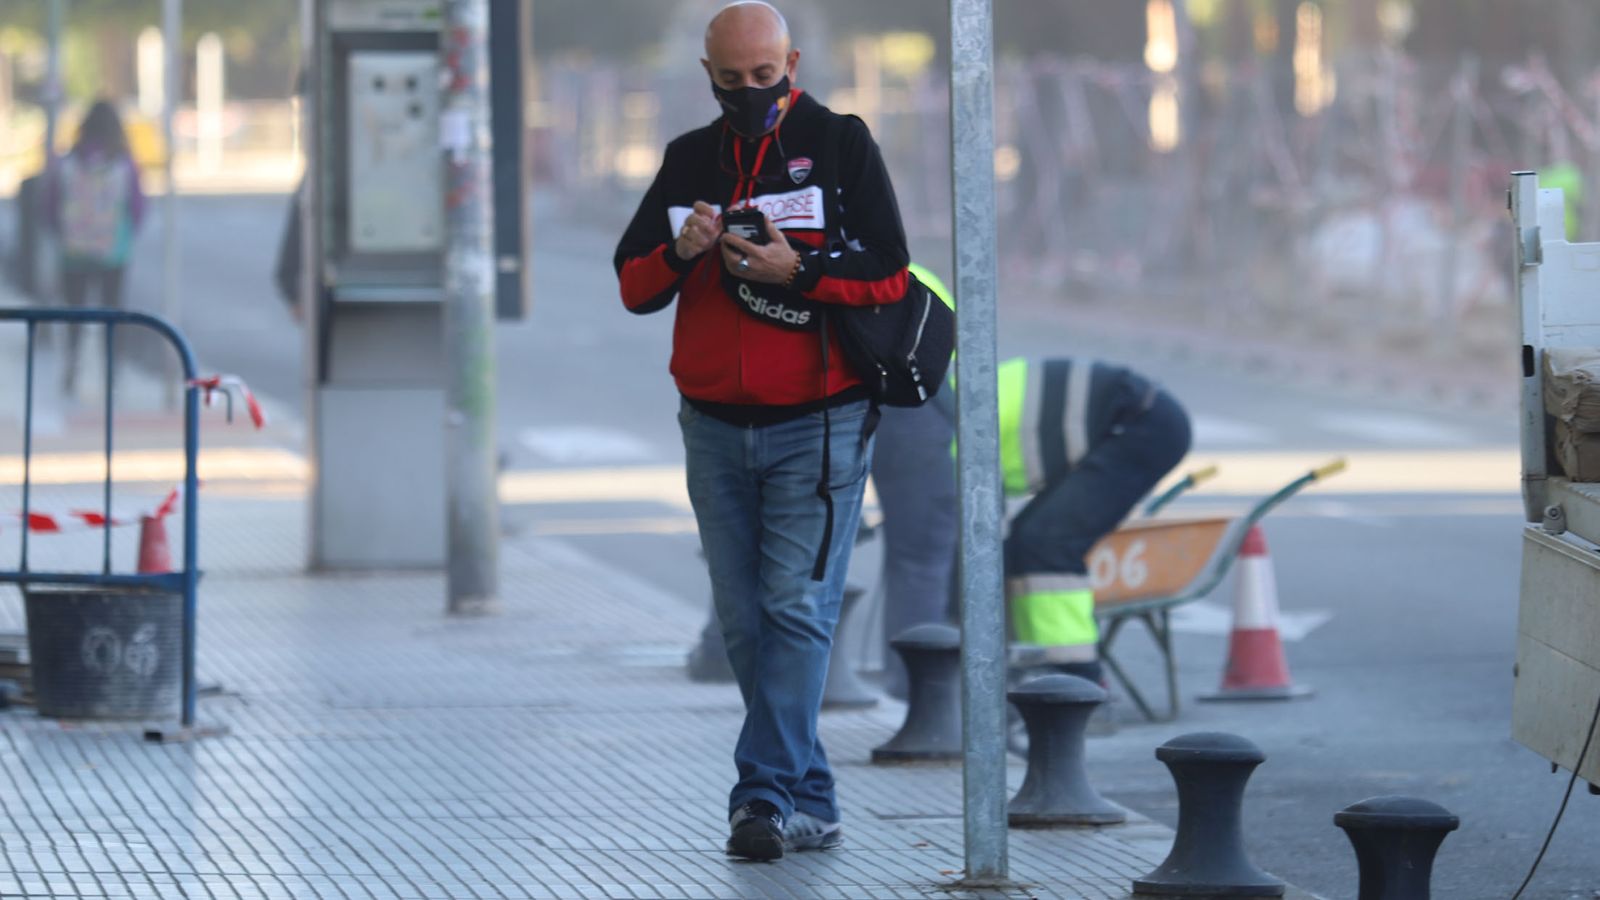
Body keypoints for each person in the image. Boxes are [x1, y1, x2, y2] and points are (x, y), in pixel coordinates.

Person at [614, 1, 910, 862]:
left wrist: (801, 269)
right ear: (708, 74)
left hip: (819, 422)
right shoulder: (688, 159)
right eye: (732, 78)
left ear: (794, 62)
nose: (750, 92)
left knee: (797, 608)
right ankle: (809, 798)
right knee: (745, 622)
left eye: (765, 75)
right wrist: (683, 252)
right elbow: (633, 286)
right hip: (711, 423)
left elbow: (889, 273)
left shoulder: (843, 143)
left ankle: (763, 794)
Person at [874, 347, 1192, 693]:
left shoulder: (944, 446)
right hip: (1132, 416)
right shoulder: (938, 416)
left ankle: (1077, 680)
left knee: (1046, 545)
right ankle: (1037, 671)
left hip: (1142, 423)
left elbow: (979, 548)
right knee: (1024, 543)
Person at [42, 100, 146, 394]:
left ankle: (72, 364)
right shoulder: (124, 163)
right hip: (114, 250)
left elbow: (50, 207)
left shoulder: (67, 162)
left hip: (73, 251)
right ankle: (112, 369)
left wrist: (63, 234)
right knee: (113, 313)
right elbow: (137, 207)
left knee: (75, 311)